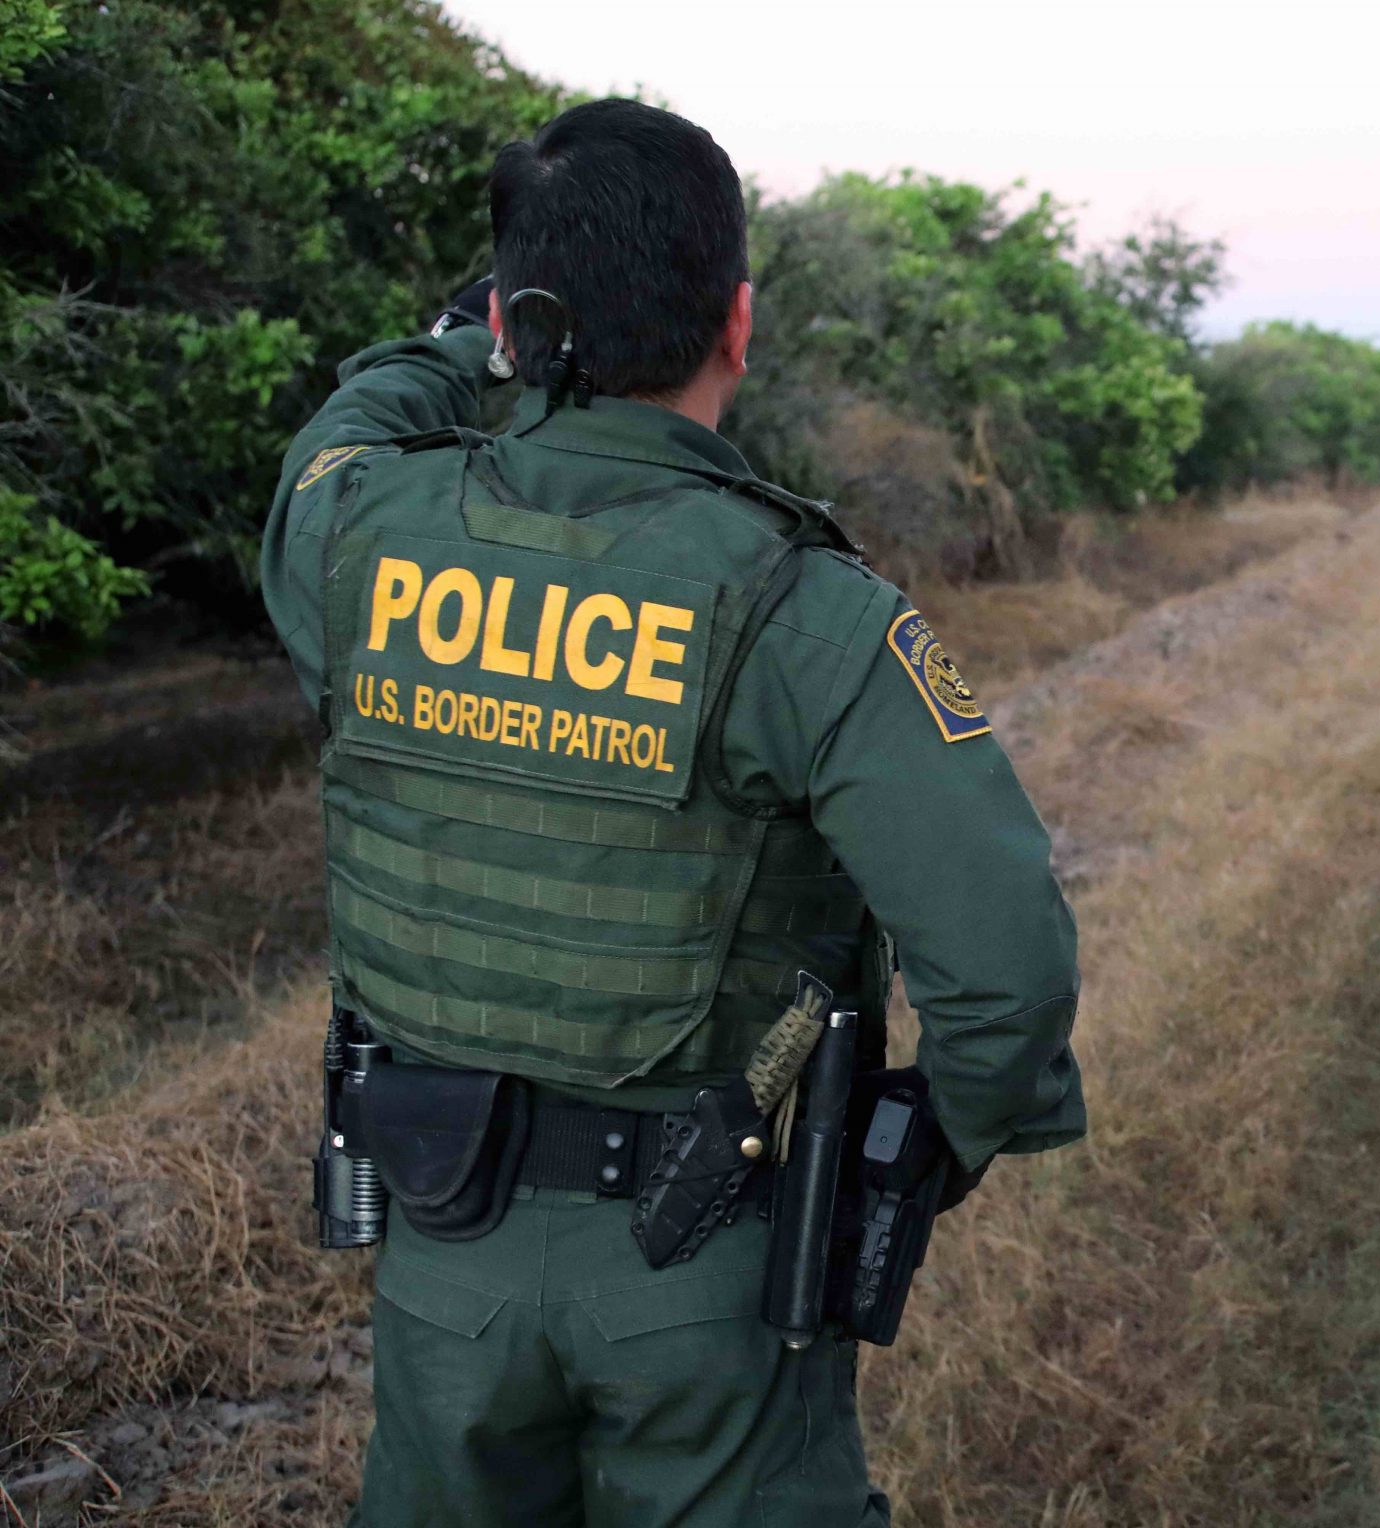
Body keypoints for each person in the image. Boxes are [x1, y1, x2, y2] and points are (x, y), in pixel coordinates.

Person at [260, 99, 1085, 1526]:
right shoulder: (806, 613)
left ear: (519, 327)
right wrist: (922, 1157)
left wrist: (469, 341)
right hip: (709, 1262)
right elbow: (1005, 973)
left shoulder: (357, 539)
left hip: (437, 1245)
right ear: (740, 323)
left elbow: (345, 429)